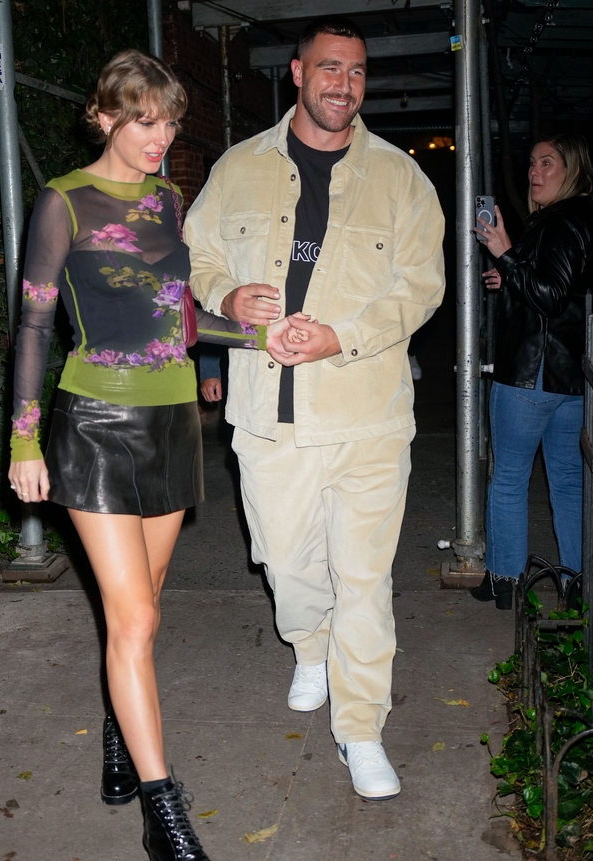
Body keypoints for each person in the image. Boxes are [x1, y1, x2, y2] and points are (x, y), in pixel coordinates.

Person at [7, 50, 302, 861]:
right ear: (103, 116)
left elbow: (177, 319)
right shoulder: (62, 201)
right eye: (144, 118)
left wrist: (257, 334)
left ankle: (117, 730)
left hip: (171, 421)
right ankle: (163, 811)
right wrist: (24, 438)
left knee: (143, 613)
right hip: (95, 424)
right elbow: (33, 326)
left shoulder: (170, 200)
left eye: (169, 119)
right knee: (132, 616)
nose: (161, 135)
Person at [184, 17, 445, 801]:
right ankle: (308, 643)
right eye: (331, 68)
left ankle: (360, 727)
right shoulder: (239, 167)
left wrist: (342, 335)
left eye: (358, 72)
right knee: (286, 563)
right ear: (298, 73)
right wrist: (225, 294)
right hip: (268, 417)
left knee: (364, 578)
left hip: (366, 414)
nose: (345, 84)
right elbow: (198, 253)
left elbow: (420, 286)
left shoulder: (401, 179)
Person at [471, 133, 593, 610]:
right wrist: (508, 275)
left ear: (572, 168)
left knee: (508, 477)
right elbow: (563, 290)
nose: (534, 171)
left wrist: (505, 250)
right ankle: (575, 581)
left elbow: (548, 295)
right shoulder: (588, 219)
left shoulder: (561, 221)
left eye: (547, 163)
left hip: (530, 376)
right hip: (572, 379)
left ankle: (504, 580)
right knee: (568, 480)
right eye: (531, 162)